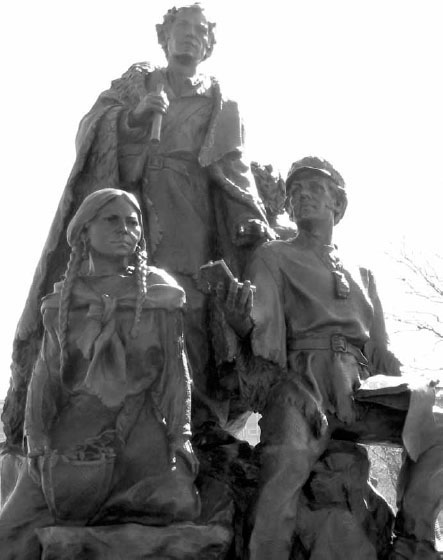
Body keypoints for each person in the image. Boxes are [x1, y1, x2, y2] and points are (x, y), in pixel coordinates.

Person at [2, 3, 271, 448]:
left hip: (192, 210)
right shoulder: (134, 86)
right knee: (129, 301)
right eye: (181, 29)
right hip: (134, 206)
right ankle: (123, 409)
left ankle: (196, 417)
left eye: (199, 31)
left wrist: (250, 218)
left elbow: (234, 167)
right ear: (164, 37)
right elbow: (89, 132)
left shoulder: (223, 105)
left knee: (190, 307)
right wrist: (133, 118)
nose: (189, 36)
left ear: (208, 44)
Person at [220, 156, 443, 560]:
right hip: (302, 385)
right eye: (295, 192)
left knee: (440, 424)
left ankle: (414, 543)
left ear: (337, 203)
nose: (302, 196)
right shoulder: (272, 256)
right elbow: (262, 321)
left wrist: (420, 393)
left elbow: (382, 351)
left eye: (314, 189)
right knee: (284, 467)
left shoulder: (364, 272)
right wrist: (240, 324)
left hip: (360, 391)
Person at [0, 189, 200, 559]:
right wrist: (38, 438)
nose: (125, 229)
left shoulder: (161, 295)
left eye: (132, 222)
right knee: (10, 532)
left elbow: (175, 372)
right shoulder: (61, 303)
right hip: (75, 425)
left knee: (178, 501)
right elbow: (45, 377)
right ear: (84, 232)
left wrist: (179, 435)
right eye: (112, 220)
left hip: (138, 424)